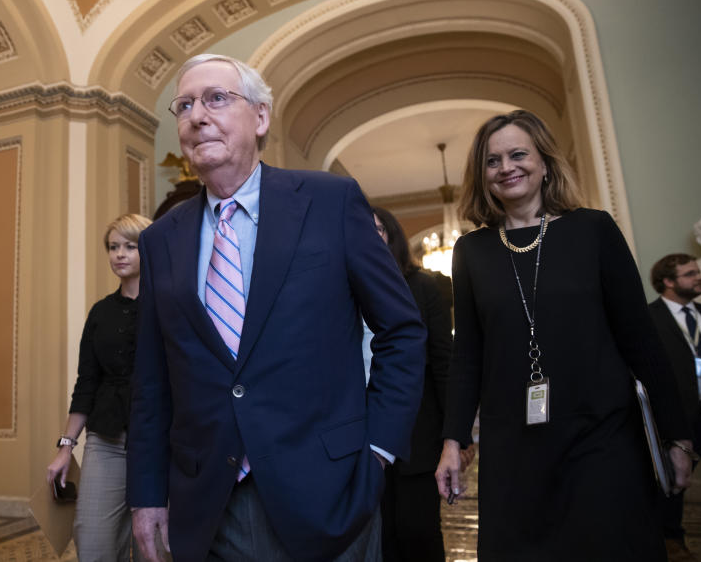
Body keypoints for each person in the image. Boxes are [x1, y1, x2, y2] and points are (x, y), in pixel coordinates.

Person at [127, 54, 427, 562]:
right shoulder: (161, 240)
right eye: (184, 105)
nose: (197, 115)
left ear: (260, 117)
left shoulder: (330, 202)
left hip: (330, 491)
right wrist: (147, 494)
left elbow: (402, 330)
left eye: (216, 98)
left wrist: (377, 451)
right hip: (209, 502)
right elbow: (153, 379)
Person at [433, 110, 693, 561]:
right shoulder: (471, 250)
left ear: (545, 162)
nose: (506, 167)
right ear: (482, 174)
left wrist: (678, 436)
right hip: (514, 445)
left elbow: (641, 339)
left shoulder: (593, 230)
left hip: (601, 437)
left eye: (518, 154)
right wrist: (454, 440)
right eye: (492, 161)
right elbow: (467, 356)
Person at [46, 213, 152, 562]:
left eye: (130, 246)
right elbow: (86, 383)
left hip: (161, 442)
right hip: (106, 440)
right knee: (92, 543)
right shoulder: (100, 312)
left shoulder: (170, 306)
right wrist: (65, 447)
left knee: (156, 546)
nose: (119, 254)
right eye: (113, 247)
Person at [371, 207, 451, 562]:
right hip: (364, 437)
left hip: (419, 434)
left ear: (393, 236)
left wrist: (455, 434)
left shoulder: (424, 286)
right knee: (380, 538)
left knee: (419, 533)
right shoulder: (343, 287)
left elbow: (444, 361)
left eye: (377, 230)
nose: (369, 236)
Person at [648, 254, 701, 562]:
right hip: (679, 416)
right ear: (668, 281)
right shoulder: (649, 318)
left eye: (698, 273)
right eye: (690, 274)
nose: (699, 277)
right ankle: (672, 542)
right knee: (673, 484)